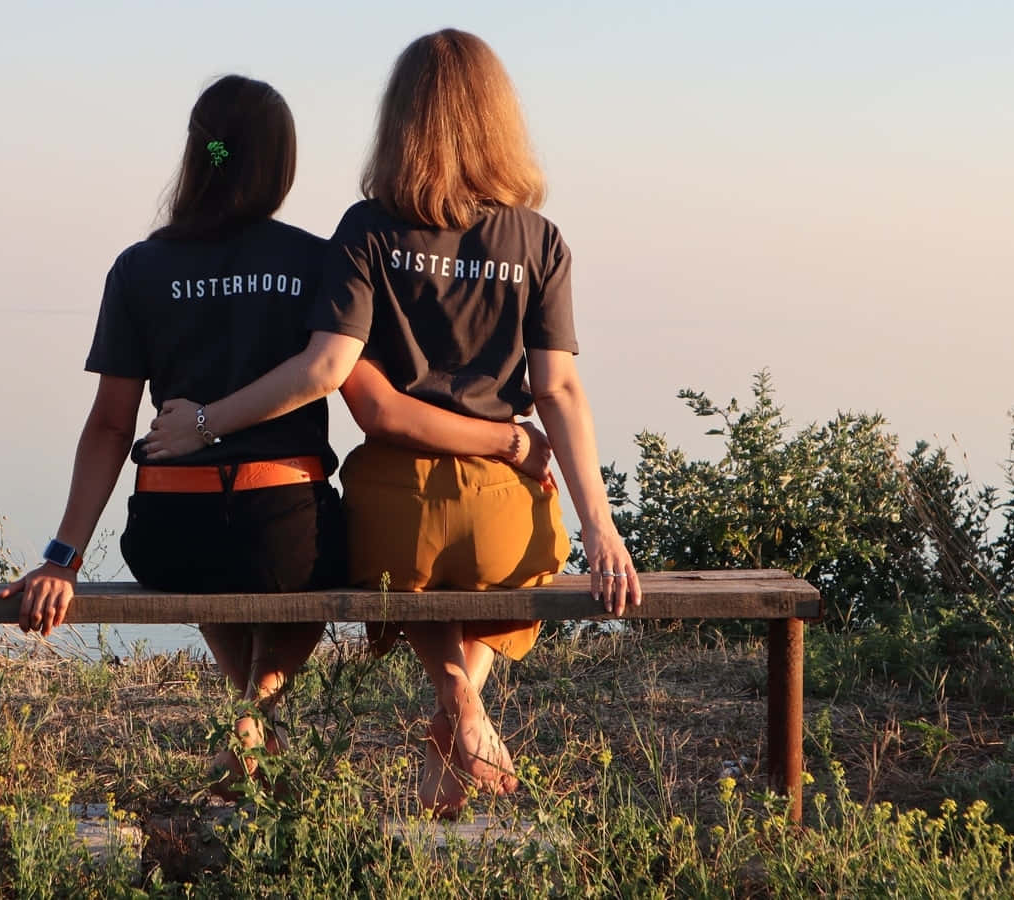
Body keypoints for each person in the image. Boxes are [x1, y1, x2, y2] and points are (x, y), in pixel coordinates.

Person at [0, 73, 551, 799]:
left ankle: (251, 726)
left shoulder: (138, 268)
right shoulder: (314, 260)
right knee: (311, 555)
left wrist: (63, 556)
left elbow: (109, 426)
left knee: (214, 560)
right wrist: (507, 437)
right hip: (285, 531)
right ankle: (254, 714)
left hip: (171, 534)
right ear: (281, 165)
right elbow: (356, 390)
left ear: (198, 156)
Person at [143, 31, 642, 816]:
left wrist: (203, 422)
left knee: (401, 570)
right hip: (507, 507)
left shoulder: (367, 231)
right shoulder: (540, 241)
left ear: (400, 120)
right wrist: (600, 527)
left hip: (393, 508)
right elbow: (562, 392)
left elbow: (345, 383)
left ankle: (455, 708)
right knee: (518, 568)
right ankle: (460, 714)